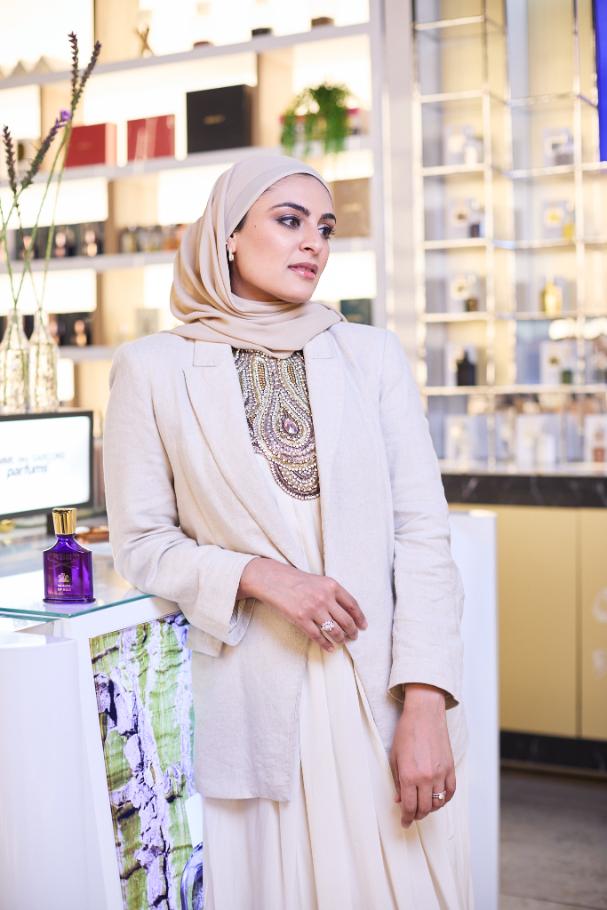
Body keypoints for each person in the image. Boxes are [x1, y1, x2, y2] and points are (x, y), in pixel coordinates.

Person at [103, 154, 473, 909]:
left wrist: (427, 701)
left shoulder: (369, 355)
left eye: (325, 228)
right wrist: (258, 576)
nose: (314, 242)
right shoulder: (152, 368)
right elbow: (141, 543)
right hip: (257, 702)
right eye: (289, 220)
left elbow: (422, 536)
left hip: (380, 694)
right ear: (228, 236)